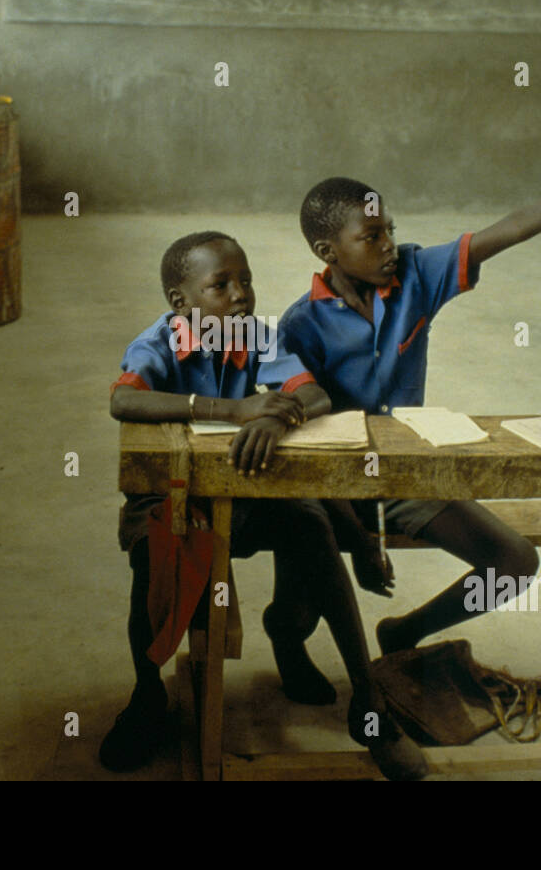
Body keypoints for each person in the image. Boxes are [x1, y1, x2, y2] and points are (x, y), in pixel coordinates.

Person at [278, 122, 541, 654]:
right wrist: (361, 540)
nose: (388, 245)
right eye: (371, 238)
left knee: (514, 563)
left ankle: (404, 632)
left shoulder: (415, 275)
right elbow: (308, 440)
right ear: (329, 251)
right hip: (329, 487)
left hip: (402, 475)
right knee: (297, 614)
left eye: (389, 229)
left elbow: (512, 228)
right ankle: (289, 645)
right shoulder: (301, 326)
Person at [102, 230, 427, 779]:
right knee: (152, 551)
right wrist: (230, 411)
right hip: (177, 496)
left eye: (246, 280)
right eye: (220, 285)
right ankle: (146, 693)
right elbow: (124, 399)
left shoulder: (259, 336)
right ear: (181, 303)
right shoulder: (157, 342)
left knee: (311, 522)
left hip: (246, 495)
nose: (240, 295)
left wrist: (277, 415)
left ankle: (368, 703)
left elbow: (315, 394)